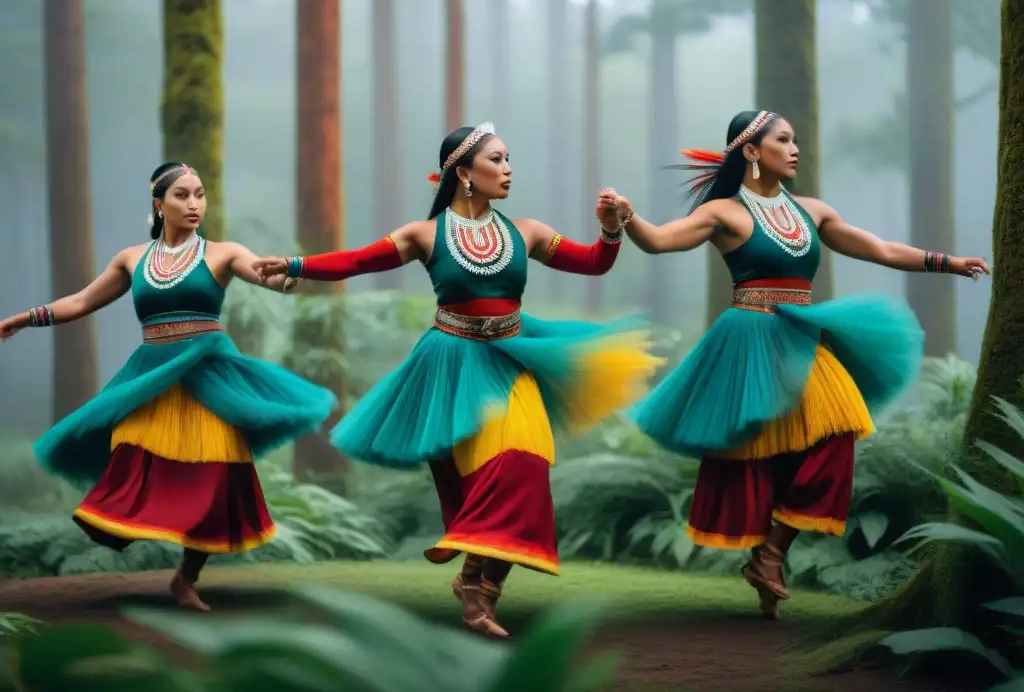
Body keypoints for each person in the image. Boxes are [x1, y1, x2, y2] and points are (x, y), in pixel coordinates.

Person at [254, 123, 661, 638]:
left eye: (510, 158)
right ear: (464, 173)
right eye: (498, 159)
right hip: (450, 366)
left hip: (513, 359)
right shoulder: (425, 235)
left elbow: (594, 264)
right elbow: (357, 261)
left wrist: (609, 228)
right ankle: (478, 591)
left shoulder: (528, 232)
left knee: (524, 468)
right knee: (479, 482)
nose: (508, 168)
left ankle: (477, 584)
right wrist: (295, 265)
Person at [612, 110, 989, 620]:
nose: (794, 150)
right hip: (748, 338)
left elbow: (877, 248)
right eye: (783, 140)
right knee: (757, 453)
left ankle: (771, 552)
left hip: (802, 336)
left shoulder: (811, 211)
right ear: (751, 151)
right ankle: (764, 568)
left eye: (795, 140)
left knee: (837, 432)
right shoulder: (724, 212)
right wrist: (625, 219)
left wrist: (946, 262)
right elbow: (660, 240)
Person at [0, 162, 338, 612]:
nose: (194, 203)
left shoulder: (223, 253)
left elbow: (267, 275)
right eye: (182, 195)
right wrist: (24, 319)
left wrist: (288, 275)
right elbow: (82, 301)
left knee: (217, 472)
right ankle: (116, 523)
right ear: (159, 204)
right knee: (131, 445)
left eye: (199, 194)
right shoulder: (132, 258)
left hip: (207, 372)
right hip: (152, 373)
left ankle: (186, 578)